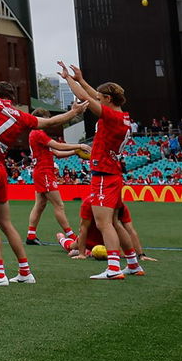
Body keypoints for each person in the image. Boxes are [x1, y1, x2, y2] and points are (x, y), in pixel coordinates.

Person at [0, 44, 82, 286]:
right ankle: (24, 271)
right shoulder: (22, 116)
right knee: (5, 223)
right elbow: (50, 121)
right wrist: (73, 113)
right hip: (0, 171)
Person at [55, 63, 141, 280]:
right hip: (113, 173)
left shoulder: (111, 118)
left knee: (103, 223)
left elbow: (85, 97)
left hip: (103, 174)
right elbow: (92, 94)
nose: (98, 98)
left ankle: (113, 268)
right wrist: (81, 79)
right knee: (114, 222)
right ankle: (132, 264)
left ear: (108, 99)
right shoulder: (122, 116)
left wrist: (68, 79)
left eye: (102, 97)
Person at [24, 123, 75, 247]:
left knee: (40, 205)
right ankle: (72, 236)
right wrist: (79, 146)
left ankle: (31, 236)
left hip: (41, 172)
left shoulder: (35, 134)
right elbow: (58, 147)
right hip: (44, 172)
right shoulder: (39, 133)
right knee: (59, 205)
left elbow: (56, 153)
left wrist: (75, 151)